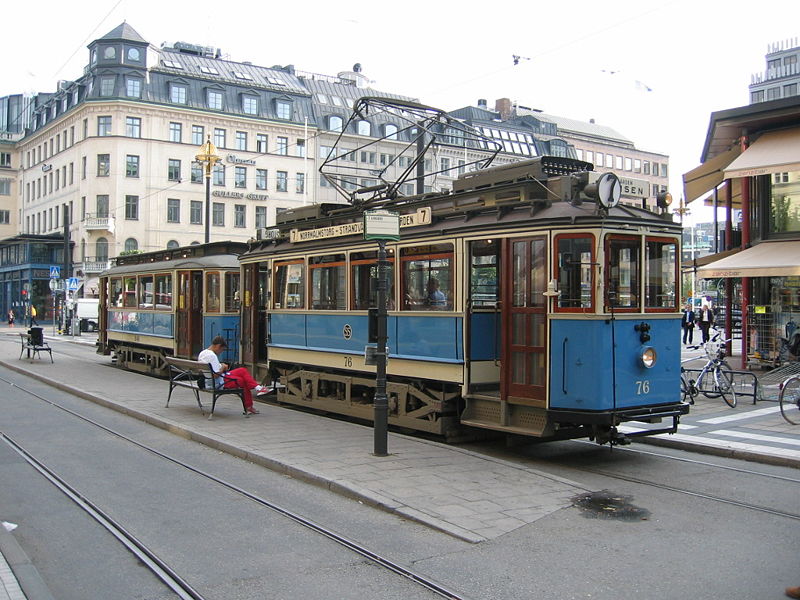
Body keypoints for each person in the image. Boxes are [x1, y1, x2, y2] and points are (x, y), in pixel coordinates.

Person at [197, 335, 267, 415]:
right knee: (243, 380)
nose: (221, 352)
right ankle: (250, 404)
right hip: (217, 382)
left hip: (209, 380)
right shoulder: (212, 356)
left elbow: (205, 370)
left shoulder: (203, 353)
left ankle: (258, 388)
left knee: (242, 370)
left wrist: (220, 365)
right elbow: (215, 375)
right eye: (222, 350)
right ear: (218, 346)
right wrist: (223, 367)